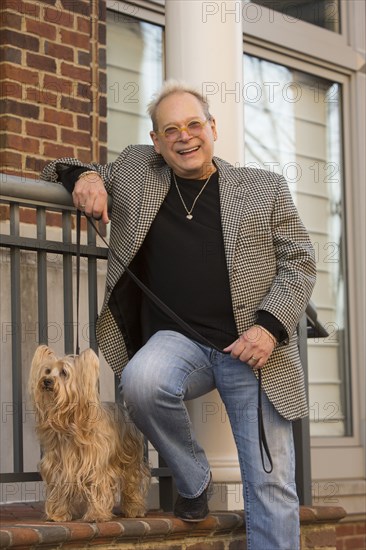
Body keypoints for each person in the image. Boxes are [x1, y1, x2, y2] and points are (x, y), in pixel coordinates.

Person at [41, 80, 316, 550]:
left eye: (194, 125)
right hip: (178, 342)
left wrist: (269, 329)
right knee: (141, 382)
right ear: (156, 141)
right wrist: (85, 179)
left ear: (213, 128)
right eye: (170, 130)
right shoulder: (135, 169)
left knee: (270, 482)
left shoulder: (262, 188)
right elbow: (57, 167)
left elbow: (301, 261)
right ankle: (194, 480)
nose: (184, 137)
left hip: (251, 348)